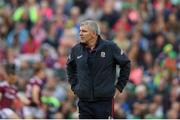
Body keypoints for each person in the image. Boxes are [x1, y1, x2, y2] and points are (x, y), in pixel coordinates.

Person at [66, 20, 131, 119]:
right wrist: (75, 87)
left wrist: (119, 87)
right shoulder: (76, 49)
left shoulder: (110, 47)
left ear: (93, 34)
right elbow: (70, 67)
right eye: (80, 31)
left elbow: (126, 64)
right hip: (84, 103)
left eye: (84, 31)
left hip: (104, 103)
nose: (80, 34)